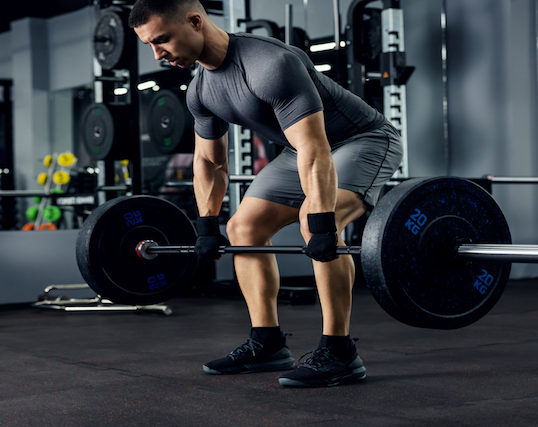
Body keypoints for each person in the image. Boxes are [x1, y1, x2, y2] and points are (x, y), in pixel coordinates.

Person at [129, 0, 403, 387]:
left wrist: (323, 220)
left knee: (315, 221)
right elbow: (209, 163)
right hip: (301, 151)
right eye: (150, 46)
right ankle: (267, 343)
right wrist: (207, 224)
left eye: (163, 40)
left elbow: (315, 147)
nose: (159, 54)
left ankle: (340, 351)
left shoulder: (270, 63)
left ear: (195, 21)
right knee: (243, 229)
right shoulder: (201, 91)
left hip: (363, 140)